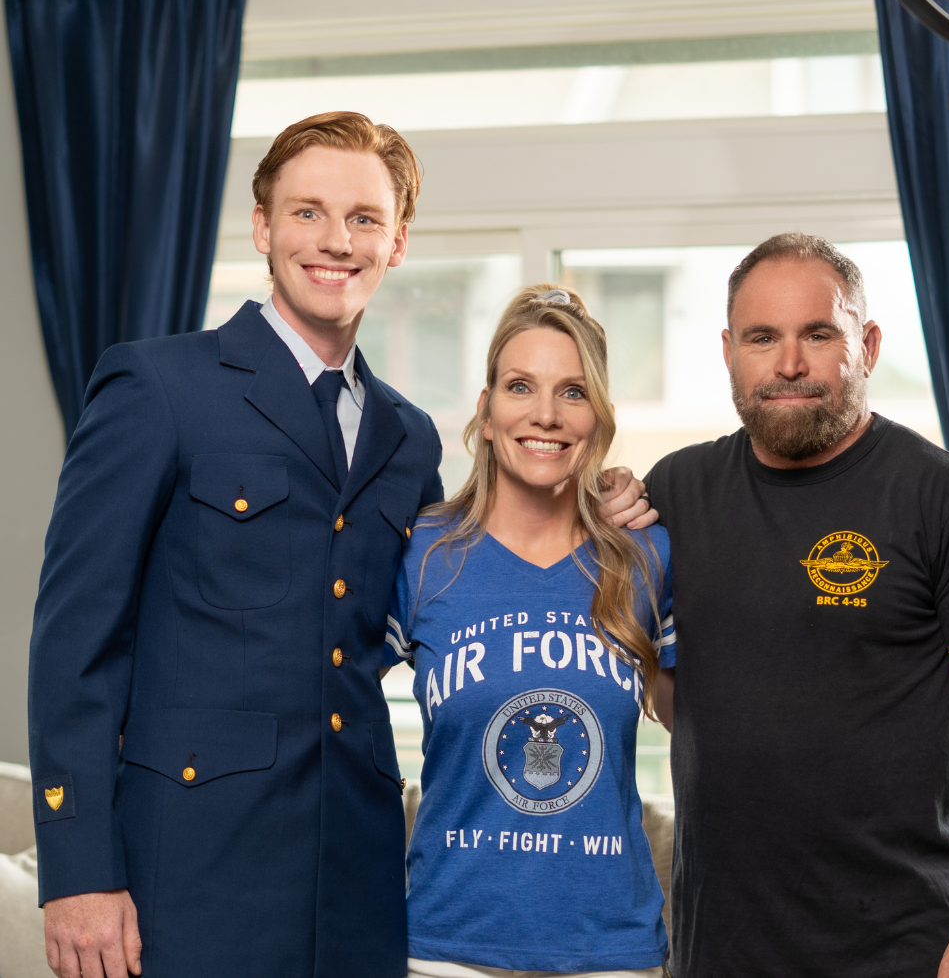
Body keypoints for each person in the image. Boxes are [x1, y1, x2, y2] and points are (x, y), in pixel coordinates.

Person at [27, 113, 654, 978]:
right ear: (263, 227)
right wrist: (78, 872)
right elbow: (73, 643)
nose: (336, 241)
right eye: (308, 212)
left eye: (364, 218)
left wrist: (605, 504)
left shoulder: (409, 437)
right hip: (190, 875)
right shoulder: (158, 387)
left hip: (360, 886)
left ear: (396, 243)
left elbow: (463, 582)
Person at [647, 233, 949, 978]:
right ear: (727, 350)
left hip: (906, 951)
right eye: (762, 337)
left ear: (866, 344)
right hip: (720, 949)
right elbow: (682, 689)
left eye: (818, 333)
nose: (788, 364)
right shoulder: (678, 492)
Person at [382, 286, 674, 978]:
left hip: (610, 949)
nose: (545, 413)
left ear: (599, 419)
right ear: (485, 412)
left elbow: (704, 727)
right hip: (447, 945)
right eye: (520, 386)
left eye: (573, 392)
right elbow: (326, 700)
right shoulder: (423, 553)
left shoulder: (647, 555)